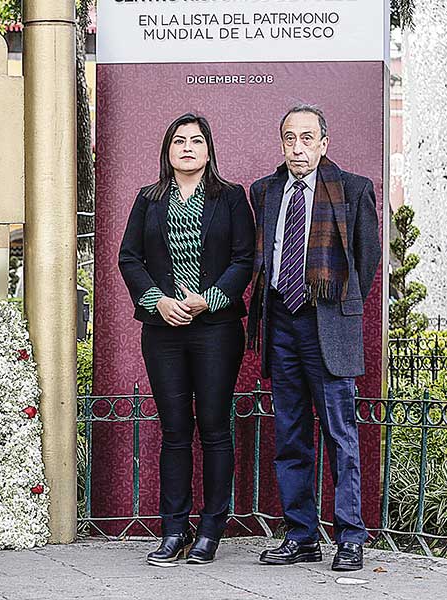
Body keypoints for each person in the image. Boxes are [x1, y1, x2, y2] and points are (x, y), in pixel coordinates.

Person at [248, 105, 380, 572]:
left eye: (307, 138)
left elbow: (367, 261)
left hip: (326, 325)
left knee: (341, 436)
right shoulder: (264, 191)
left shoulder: (354, 188)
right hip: (280, 321)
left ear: (324, 143)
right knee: (290, 437)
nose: (298, 148)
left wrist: (333, 306)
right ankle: (302, 536)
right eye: (289, 138)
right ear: (281, 143)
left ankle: (349, 537)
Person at [119, 113, 255, 565]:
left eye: (197, 141)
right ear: (168, 151)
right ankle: (173, 530)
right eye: (179, 141)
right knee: (175, 431)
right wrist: (157, 301)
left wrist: (208, 299)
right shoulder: (148, 198)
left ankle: (211, 530)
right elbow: (130, 258)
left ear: (209, 150)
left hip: (215, 330)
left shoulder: (231, 197)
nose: (188, 148)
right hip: (164, 332)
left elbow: (244, 259)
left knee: (214, 428)